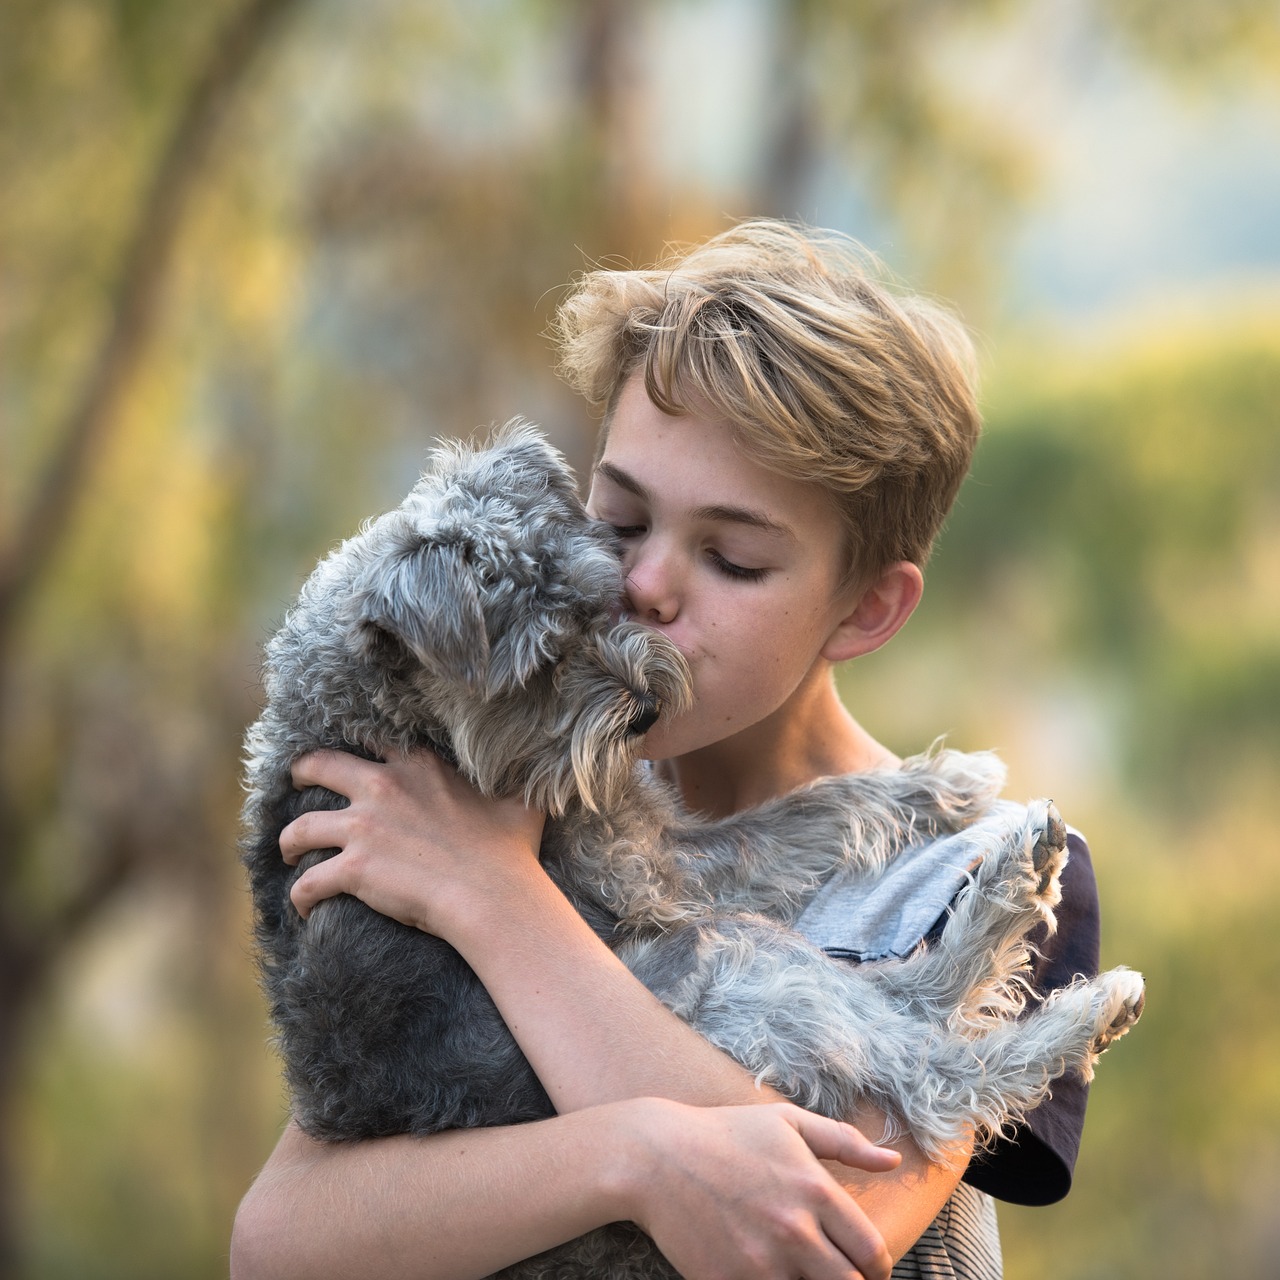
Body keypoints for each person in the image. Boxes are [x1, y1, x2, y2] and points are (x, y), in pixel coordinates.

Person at [230, 220, 1100, 1280]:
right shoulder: (507, 799)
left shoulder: (976, 872)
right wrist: (629, 1155)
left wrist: (502, 904)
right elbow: (279, 1239)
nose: (643, 586)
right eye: (620, 518)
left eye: (730, 558)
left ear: (865, 608)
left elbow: (826, 1225)